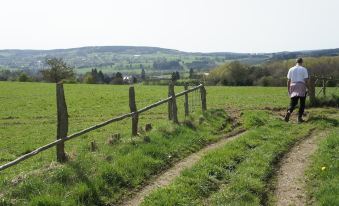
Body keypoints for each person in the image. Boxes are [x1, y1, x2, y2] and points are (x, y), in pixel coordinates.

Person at [284, 57, 309, 123]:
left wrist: (288, 89)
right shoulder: (304, 69)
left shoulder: (291, 69)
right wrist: (307, 88)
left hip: (293, 85)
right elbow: (306, 80)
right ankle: (299, 118)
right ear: (302, 62)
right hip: (301, 86)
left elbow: (288, 80)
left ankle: (289, 112)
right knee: (302, 103)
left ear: (296, 62)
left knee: (293, 102)